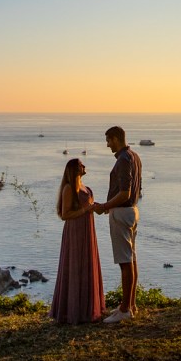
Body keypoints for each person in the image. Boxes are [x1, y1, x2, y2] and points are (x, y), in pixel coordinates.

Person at [93, 125, 141, 323]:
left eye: (108, 140)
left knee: (124, 262)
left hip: (121, 213)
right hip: (132, 212)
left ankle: (124, 310)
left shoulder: (123, 160)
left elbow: (124, 193)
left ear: (116, 139)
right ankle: (131, 304)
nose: (107, 145)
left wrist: (104, 206)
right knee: (131, 259)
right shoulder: (135, 156)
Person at [50, 157, 105, 324]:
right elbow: (65, 215)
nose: (84, 166)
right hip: (75, 231)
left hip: (87, 230)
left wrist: (98, 207)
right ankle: (72, 311)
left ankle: (87, 309)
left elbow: (87, 207)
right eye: (81, 165)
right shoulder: (69, 188)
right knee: (74, 267)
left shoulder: (86, 188)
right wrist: (87, 208)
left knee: (87, 265)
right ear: (74, 169)